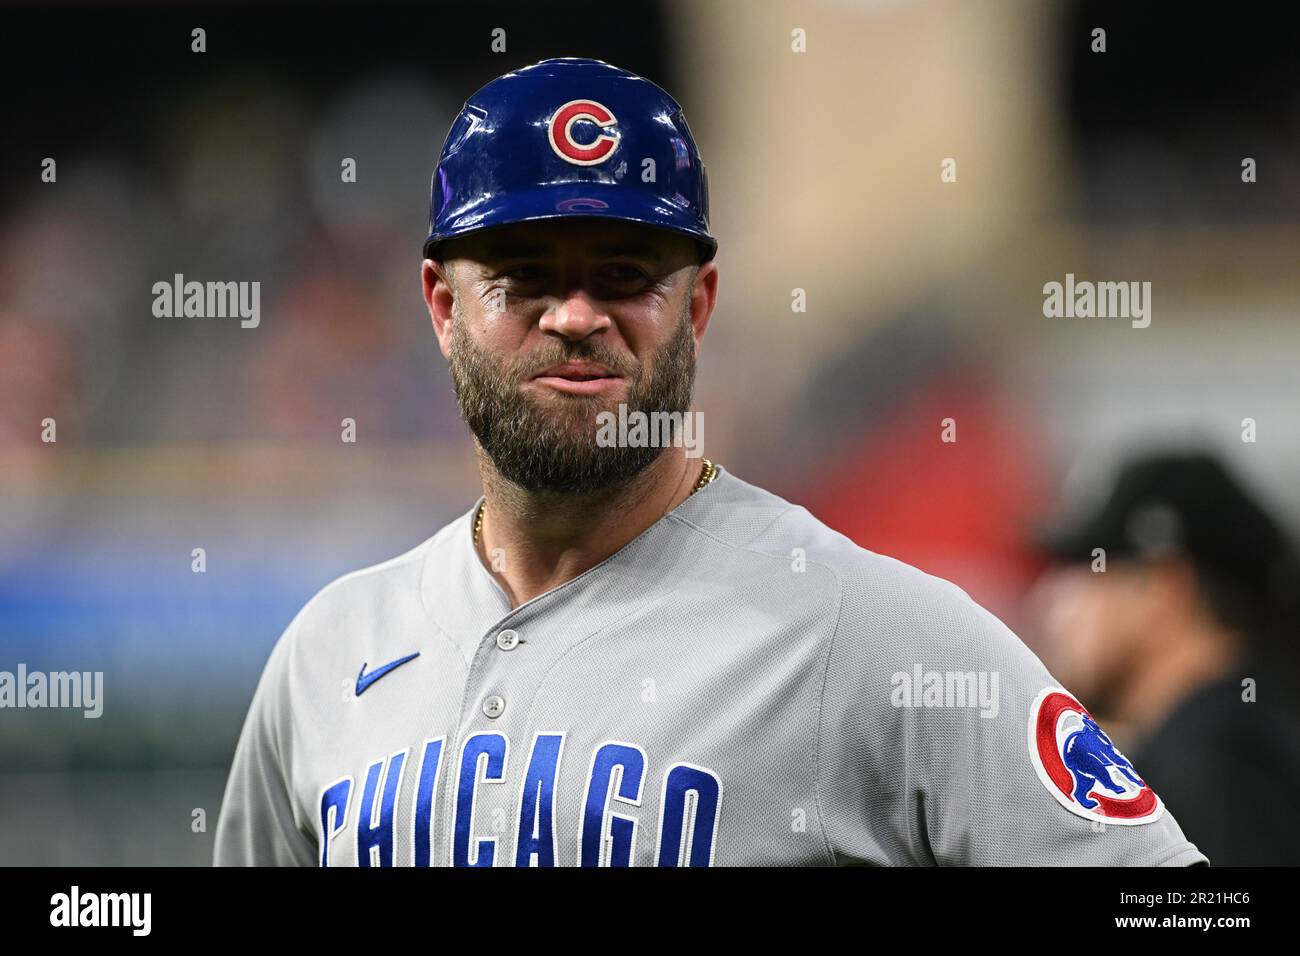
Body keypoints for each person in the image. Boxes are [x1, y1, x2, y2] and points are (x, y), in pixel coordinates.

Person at [213, 57, 1205, 866]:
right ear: (441, 306)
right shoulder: (328, 651)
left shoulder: (867, 630)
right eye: (524, 275)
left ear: (696, 306)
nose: (574, 315)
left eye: (624, 273)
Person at [1033, 450, 1300, 865]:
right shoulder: (1234, 737)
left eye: (1084, 570)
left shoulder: (1216, 768)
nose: (1050, 603)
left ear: (1162, 589)